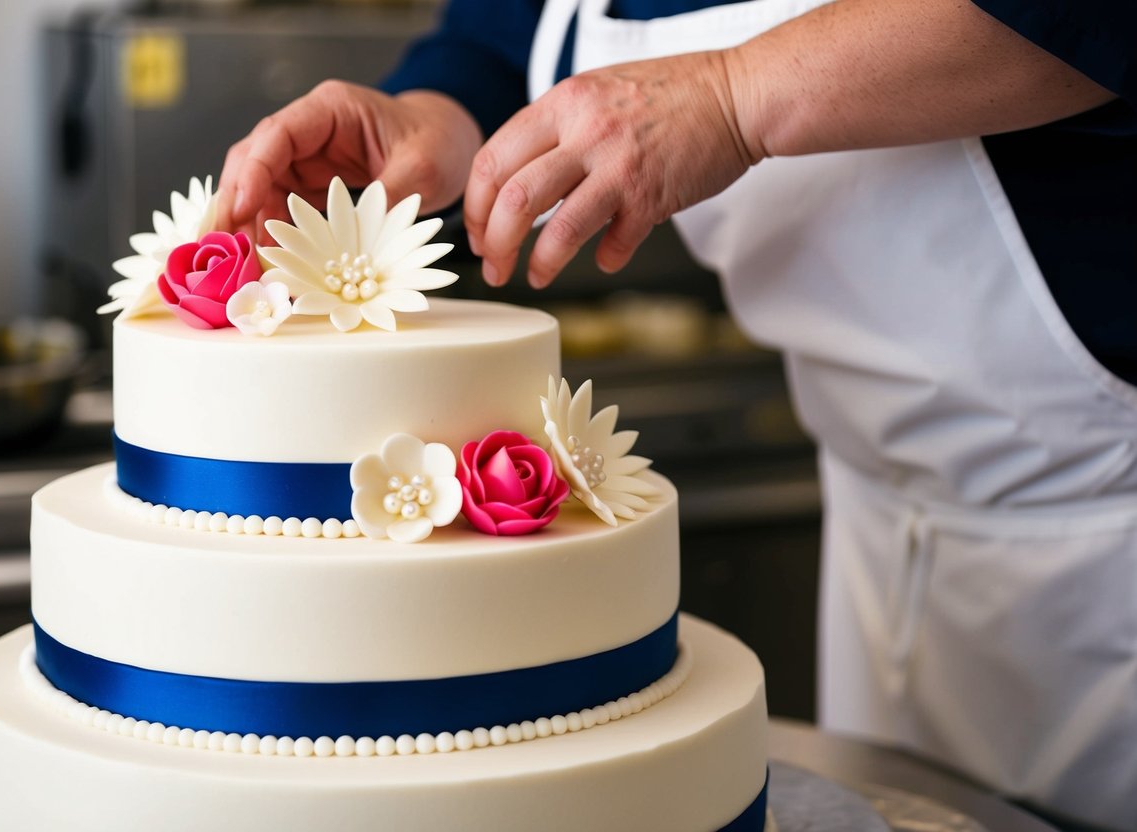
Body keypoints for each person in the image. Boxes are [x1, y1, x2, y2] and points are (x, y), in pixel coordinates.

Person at [218, 1, 1137, 829]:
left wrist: (734, 95)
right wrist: (441, 112)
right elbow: (511, 30)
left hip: (1104, 524)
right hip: (874, 507)